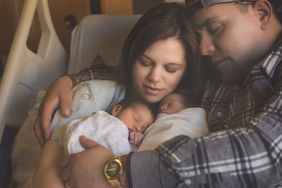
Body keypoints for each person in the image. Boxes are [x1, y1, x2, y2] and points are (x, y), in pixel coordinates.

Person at [50, 0, 282, 187]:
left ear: (261, 12)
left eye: (215, 28)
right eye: (200, 38)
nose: (204, 49)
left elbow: (270, 151)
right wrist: (70, 80)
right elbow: (132, 73)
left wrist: (120, 170)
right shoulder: (218, 72)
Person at [31, 2, 205, 188]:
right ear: (132, 56)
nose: (155, 78)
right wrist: (66, 80)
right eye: (145, 62)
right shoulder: (101, 93)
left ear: (186, 71)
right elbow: (47, 171)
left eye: (170, 69)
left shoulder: (186, 112)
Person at [33, 99, 154, 188]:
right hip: (76, 163)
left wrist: (135, 145)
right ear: (116, 110)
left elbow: (128, 161)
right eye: (136, 120)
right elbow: (80, 130)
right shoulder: (107, 121)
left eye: (142, 128)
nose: (138, 128)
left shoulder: (126, 139)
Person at [138, 92, 209, 151]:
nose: (163, 107)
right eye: (162, 105)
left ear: (185, 108)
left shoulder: (192, 116)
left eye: (170, 105)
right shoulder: (157, 120)